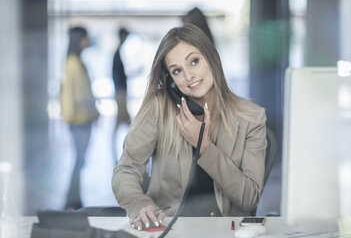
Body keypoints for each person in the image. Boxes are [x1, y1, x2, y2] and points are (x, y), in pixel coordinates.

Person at [112, 24, 267, 231]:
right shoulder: (159, 109)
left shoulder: (252, 118)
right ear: (171, 81)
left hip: (227, 232)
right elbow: (126, 170)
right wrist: (140, 204)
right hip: (171, 228)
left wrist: (205, 147)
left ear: (211, 58)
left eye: (194, 61)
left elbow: (249, 198)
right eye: (177, 71)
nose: (189, 76)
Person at [60, 26, 99, 210]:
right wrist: (94, 111)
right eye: (85, 37)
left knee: (80, 159)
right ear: (78, 39)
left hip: (80, 120)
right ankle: (72, 199)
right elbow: (82, 95)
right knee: (79, 160)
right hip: (80, 120)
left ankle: (74, 197)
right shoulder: (74, 63)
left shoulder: (74, 62)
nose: (88, 40)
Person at [112, 27, 131, 164]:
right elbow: (117, 75)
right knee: (123, 121)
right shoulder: (117, 53)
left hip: (121, 91)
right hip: (120, 91)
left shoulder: (119, 52)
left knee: (123, 121)